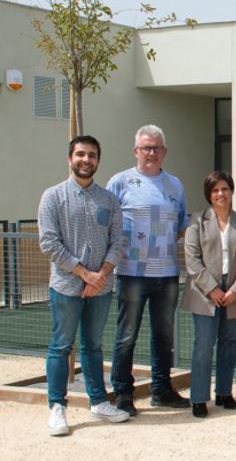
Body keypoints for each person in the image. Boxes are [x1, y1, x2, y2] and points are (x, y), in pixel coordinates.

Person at [38, 135, 130, 436]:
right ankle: (57, 407)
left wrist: (100, 275)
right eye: (80, 154)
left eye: (91, 155)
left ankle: (99, 401)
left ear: (98, 161)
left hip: (101, 288)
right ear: (70, 158)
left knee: (93, 346)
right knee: (61, 346)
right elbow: (49, 244)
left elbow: (118, 242)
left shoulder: (109, 200)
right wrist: (83, 274)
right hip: (66, 286)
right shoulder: (52, 197)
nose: (86, 160)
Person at [108, 124, 189, 415]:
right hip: (131, 273)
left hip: (167, 273)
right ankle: (123, 394)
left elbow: (181, 226)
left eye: (156, 148)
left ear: (164, 151)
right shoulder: (120, 183)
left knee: (164, 336)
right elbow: (107, 224)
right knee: (126, 335)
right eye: (146, 147)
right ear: (136, 151)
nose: (151, 153)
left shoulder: (175, 185)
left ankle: (161, 389)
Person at [182, 171, 236, 418]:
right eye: (215, 190)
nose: (220, 194)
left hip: (234, 291)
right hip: (204, 290)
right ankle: (199, 397)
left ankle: (224, 392)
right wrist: (212, 288)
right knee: (204, 344)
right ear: (209, 194)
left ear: (232, 191)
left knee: (229, 343)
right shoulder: (197, 221)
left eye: (225, 189)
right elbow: (192, 260)